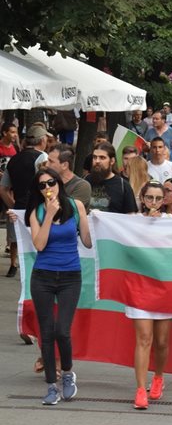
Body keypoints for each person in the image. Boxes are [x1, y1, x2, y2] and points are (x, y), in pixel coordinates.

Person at [24, 168, 91, 405]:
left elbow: (87, 241)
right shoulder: (37, 211)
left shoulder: (75, 205)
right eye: (41, 185)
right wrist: (50, 215)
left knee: (62, 330)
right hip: (42, 277)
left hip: (70, 276)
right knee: (47, 332)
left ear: (59, 183)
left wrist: (97, 221)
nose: (47, 188)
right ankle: (52, 385)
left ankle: (68, 374)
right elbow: (39, 245)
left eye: (50, 182)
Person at [129, 181, 172, 410]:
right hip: (139, 286)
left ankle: (158, 376)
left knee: (161, 341)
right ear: (142, 198)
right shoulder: (132, 221)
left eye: (159, 198)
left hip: (164, 288)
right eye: (150, 198)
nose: (154, 203)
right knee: (144, 338)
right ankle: (140, 389)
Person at [0, 124, 49, 278]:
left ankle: (14, 265)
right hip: (38, 208)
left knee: (17, 239)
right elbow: (46, 184)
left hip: (19, 207)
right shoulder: (43, 157)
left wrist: (14, 206)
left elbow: (3, 189)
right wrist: (50, 200)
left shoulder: (13, 160)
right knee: (39, 241)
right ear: (42, 140)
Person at [85, 142, 138, 214]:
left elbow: (130, 215)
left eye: (102, 158)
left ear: (112, 161)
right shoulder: (86, 181)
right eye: (94, 157)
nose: (97, 161)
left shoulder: (123, 186)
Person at [47, 144, 91, 211]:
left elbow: (67, 211)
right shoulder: (47, 181)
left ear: (64, 165)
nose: (47, 164)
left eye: (51, 161)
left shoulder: (81, 186)